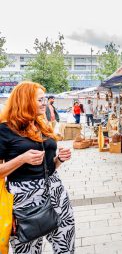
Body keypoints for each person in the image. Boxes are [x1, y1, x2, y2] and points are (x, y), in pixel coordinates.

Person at [0, 81, 74, 253]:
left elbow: (49, 166)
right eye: (40, 100)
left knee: (66, 246)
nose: (44, 103)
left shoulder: (41, 124)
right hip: (24, 198)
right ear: (25, 100)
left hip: (55, 191)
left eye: (45, 99)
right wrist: (21, 159)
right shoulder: (5, 130)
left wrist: (59, 160)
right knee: (28, 249)